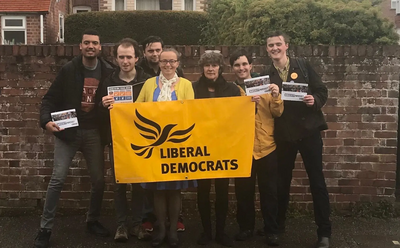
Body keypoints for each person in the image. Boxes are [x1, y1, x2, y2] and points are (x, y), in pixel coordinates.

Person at [35, 29, 114, 248]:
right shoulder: (68, 70)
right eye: (86, 42)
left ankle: (92, 220)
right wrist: (45, 122)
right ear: (80, 46)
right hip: (67, 131)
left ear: (100, 47)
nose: (91, 46)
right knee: (57, 179)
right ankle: (45, 228)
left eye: (95, 43)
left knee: (99, 180)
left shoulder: (108, 71)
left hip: (94, 133)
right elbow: (49, 99)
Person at [266, 31, 331, 248]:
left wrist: (316, 100)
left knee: (317, 183)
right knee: (281, 184)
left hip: (309, 133)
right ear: (267, 49)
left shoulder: (302, 66)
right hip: (284, 135)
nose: (274, 48)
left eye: (278, 44)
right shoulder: (266, 75)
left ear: (286, 46)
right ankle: (278, 227)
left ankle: (324, 232)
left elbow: (322, 90)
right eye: (270, 45)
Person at [136, 48, 196, 248]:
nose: (168, 65)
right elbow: (136, 110)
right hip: (154, 145)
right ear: (158, 62)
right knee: (158, 190)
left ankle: (172, 230)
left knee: (175, 189)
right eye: (164, 61)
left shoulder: (186, 85)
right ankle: (161, 227)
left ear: (178, 63)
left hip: (177, 144)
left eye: (172, 61)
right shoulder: (148, 84)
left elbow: (191, 112)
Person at [98, 38, 151, 242]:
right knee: (119, 184)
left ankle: (137, 224)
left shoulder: (147, 80)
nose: (125, 61)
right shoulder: (109, 82)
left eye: (129, 57)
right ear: (116, 58)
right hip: (117, 141)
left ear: (137, 58)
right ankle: (121, 226)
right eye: (122, 57)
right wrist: (103, 105)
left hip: (141, 141)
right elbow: (98, 113)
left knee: (138, 184)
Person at [230, 49, 283, 246]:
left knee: (269, 192)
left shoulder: (264, 85)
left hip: (266, 146)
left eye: (244, 64)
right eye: (237, 65)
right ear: (233, 68)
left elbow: (277, 113)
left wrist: (276, 95)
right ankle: (246, 228)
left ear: (251, 66)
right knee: (243, 192)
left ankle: (272, 230)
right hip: (243, 148)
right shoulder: (232, 90)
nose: (241, 68)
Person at [192, 51, 240, 247]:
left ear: (220, 67)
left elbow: (240, 116)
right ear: (202, 68)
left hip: (223, 147)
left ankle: (221, 232)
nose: (210, 68)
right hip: (200, 147)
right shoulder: (192, 89)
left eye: (214, 65)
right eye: (207, 65)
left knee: (222, 191)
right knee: (202, 191)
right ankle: (206, 231)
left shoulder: (232, 89)